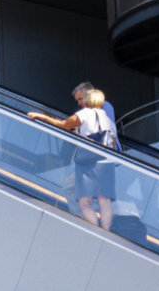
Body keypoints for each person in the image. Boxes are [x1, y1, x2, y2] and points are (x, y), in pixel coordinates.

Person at [29, 88, 120, 230]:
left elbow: (63, 125)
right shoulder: (108, 120)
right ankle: (107, 231)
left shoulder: (83, 114)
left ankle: (96, 231)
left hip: (88, 163)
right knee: (104, 201)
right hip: (106, 164)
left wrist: (41, 117)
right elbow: (112, 146)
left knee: (85, 202)